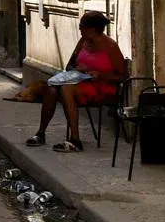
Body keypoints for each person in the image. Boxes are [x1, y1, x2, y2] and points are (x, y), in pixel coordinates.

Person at [25, 11, 126, 152]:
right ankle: (41, 133)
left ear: (92, 30)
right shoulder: (82, 42)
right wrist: (78, 69)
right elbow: (69, 66)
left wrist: (101, 74)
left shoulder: (110, 47)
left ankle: (75, 139)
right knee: (52, 89)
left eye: (82, 27)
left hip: (102, 88)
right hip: (80, 83)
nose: (79, 30)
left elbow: (122, 77)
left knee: (66, 89)